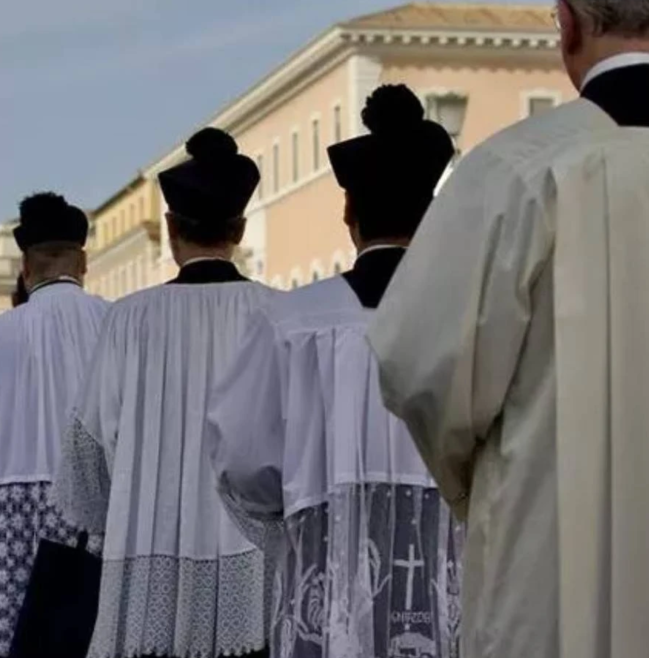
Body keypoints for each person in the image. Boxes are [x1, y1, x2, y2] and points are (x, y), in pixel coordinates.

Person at [366, 2, 649, 656]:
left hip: (558, 564)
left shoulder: (519, 168)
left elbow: (419, 364)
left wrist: (479, 484)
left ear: (568, 26)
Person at [206, 86, 462, 658]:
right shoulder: (481, 314)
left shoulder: (293, 321)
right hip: (458, 588)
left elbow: (242, 458)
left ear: (349, 212)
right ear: (433, 212)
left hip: (332, 587)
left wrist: (310, 494)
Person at [53, 128, 274, 658]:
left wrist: (124, 511)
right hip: (259, 560)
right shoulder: (280, 313)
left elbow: (88, 450)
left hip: (147, 545)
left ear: (171, 228)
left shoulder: (129, 318)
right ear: (239, 229)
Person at [0, 191, 109, 658]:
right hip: (94, 513)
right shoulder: (115, 323)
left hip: (3, 514)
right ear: (83, 262)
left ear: (25, 268)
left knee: (6, 639)